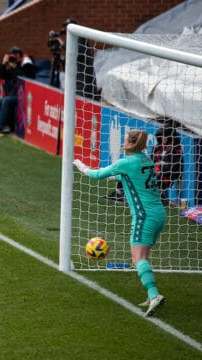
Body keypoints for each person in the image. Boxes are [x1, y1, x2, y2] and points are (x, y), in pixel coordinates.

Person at [73, 129, 167, 317]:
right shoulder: (145, 159)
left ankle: (155, 295)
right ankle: (150, 295)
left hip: (144, 216)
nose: (123, 142)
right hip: (159, 214)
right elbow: (127, 177)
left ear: (131, 143)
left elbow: (96, 175)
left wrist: (81, 166)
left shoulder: (126, 162)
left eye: (125, 139)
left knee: (137, 258)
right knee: (144, 256)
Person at [104, 126, 183, 205]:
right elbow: (151, 161)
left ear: (170, 137)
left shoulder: (176, 149)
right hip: (152, 172)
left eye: (165, 137)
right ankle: (119, 193)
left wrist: (161, 167)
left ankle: (160, 197)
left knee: (141, 179)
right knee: (129, 171)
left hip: (165, 176)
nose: (163, 139)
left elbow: (176, 168)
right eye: (161, 137)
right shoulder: (157, 147)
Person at [0, 47, 26, 135]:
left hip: (22, 95)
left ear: (19, 55)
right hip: (12, 95)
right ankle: (5, 125)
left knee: (6, 100)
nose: (13, 58)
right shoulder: (12, 66)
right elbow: (2, 76)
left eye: (15, 56)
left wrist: (14, 67)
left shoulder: (25, 64)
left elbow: (22, 77)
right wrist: (3, 65)